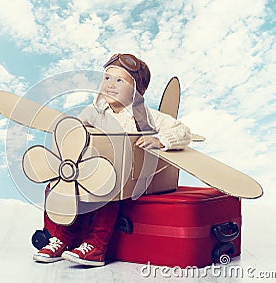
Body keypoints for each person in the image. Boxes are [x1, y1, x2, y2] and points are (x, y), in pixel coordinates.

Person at [33, 53, 191, 267]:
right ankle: (62, 236)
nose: (110, 85)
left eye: (120, 80)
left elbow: (183, 131)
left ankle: (96, 246)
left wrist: (160, 139)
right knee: (61, 183)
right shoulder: (94, 113)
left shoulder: (146, 116)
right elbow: (74, 134)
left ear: (136, 91)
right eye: (107, 78)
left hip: (131, 179)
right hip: (93, 171)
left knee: (103, 186)